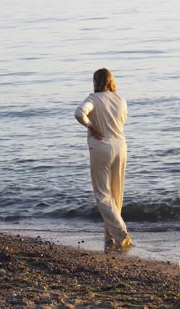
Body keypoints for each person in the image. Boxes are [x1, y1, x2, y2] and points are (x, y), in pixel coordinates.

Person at [74, 68, 132, 252]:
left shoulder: (93, 98)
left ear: (96, 81)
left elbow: (79, 113)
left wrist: (91, 126)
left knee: (102, 195)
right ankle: (110, 237)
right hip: (121, 146)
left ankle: (121, 233)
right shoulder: (121, 100)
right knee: (117, 195)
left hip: (101, 147)